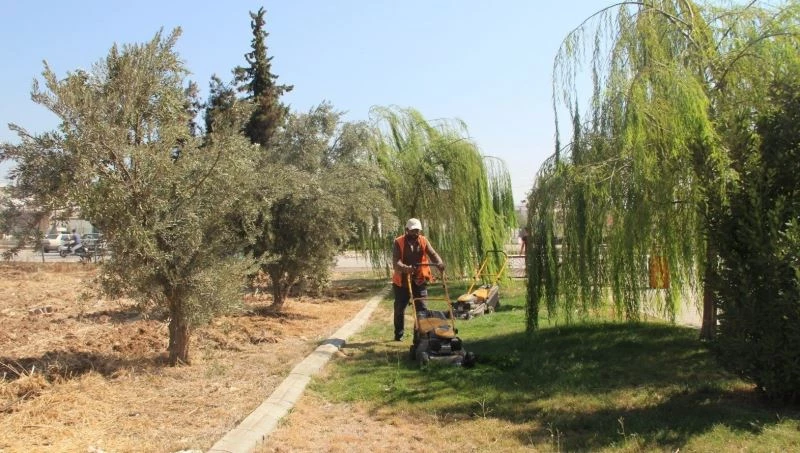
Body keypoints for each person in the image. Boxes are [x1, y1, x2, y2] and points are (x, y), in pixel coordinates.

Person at [392, 218, 445, 341]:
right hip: (402, 282)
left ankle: (420, 335)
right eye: (413, 231)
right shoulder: (398, 242)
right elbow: (396, 263)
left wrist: (439, 263)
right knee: (400, 308)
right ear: (407, 230)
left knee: (422, 308)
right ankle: (398, 334)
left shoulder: (423, 240)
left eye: (418, 231)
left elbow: (433, 254)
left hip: (419, 279)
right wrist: (407, 268)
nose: (416, 233)